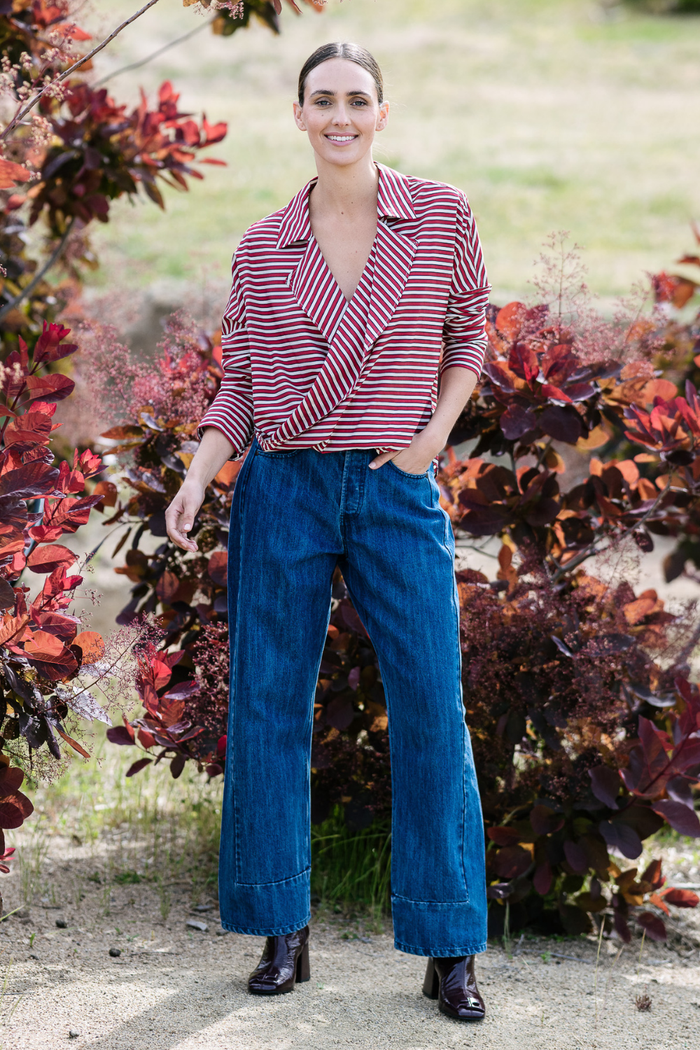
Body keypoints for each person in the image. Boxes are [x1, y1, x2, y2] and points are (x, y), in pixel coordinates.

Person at [165, 41, 490, 1023]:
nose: (339, 116)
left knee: (431, 703)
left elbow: (469, 331)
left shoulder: (438, 216)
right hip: (285, 491)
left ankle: (449, 945)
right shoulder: (265, 249)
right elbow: (241, 385)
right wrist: (196, 477)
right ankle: (281, 929)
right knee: (268, 703)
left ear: (380, 113)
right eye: (322, 102)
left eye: (356, 100)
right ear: (299, 117)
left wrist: (429, 438)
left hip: (396, 491)